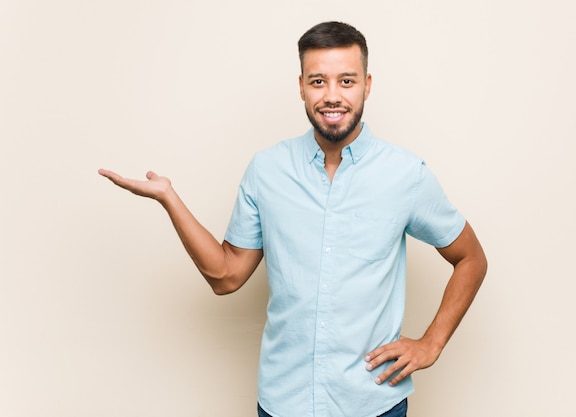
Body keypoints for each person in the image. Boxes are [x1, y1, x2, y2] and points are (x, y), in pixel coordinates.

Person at [99, 21, 487, 417]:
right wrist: (169, 198)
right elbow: (226, 276)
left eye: (346, 81)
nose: (332, 96)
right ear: (301, 86)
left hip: (373, 404)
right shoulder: (266, 170)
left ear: (367, 85)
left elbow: (471, 258)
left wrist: (431, 343)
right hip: (283, 404)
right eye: (318, 82)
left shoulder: (406, 175)